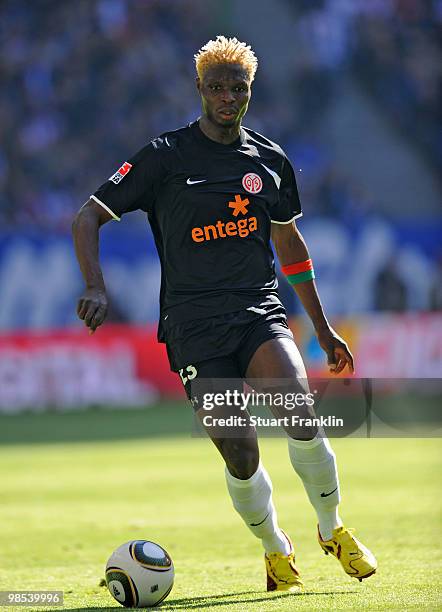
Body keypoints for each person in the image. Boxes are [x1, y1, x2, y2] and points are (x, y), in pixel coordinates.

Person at [72, 36, 376, 593]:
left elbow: (289, 246)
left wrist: (325, 329)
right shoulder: (164, 156)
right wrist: (95, 284)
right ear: (200, 89)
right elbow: (87, 217)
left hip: (258, 312)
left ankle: (333, 528)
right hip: (191, 328)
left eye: (238, 88)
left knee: (300, 412)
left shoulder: (269, 160)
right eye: (217, 87)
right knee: (239, 451)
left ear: (250, 90)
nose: (228, 97)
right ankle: (275, 548)